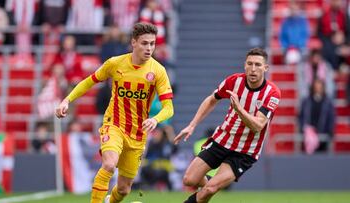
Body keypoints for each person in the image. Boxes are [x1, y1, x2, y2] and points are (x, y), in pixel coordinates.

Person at [55, 22, 174, 203]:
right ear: (133, 42)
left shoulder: (158, 71)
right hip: (114, 124)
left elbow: (169, 108)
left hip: (137, 134)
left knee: (124, 190)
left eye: (152, 43)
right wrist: (67, 100)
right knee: (109, 165)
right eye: (144, 43)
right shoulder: (115, 63)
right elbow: (90, 81)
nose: (149, 48)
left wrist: (156, 120)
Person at [174, 48, 281, 203]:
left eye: (258, 65)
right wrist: (192, 125)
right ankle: (210, 186)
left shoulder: (272, 93)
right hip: (222, 140)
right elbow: (212, 99)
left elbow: (258, 126)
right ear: (244, 65)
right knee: (189, 180)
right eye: (249, 64)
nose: (253, 69)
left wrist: (239, 109)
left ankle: (209, 188)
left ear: (266, 68)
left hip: (245, 151)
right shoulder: (234, 81)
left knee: (209, 189)